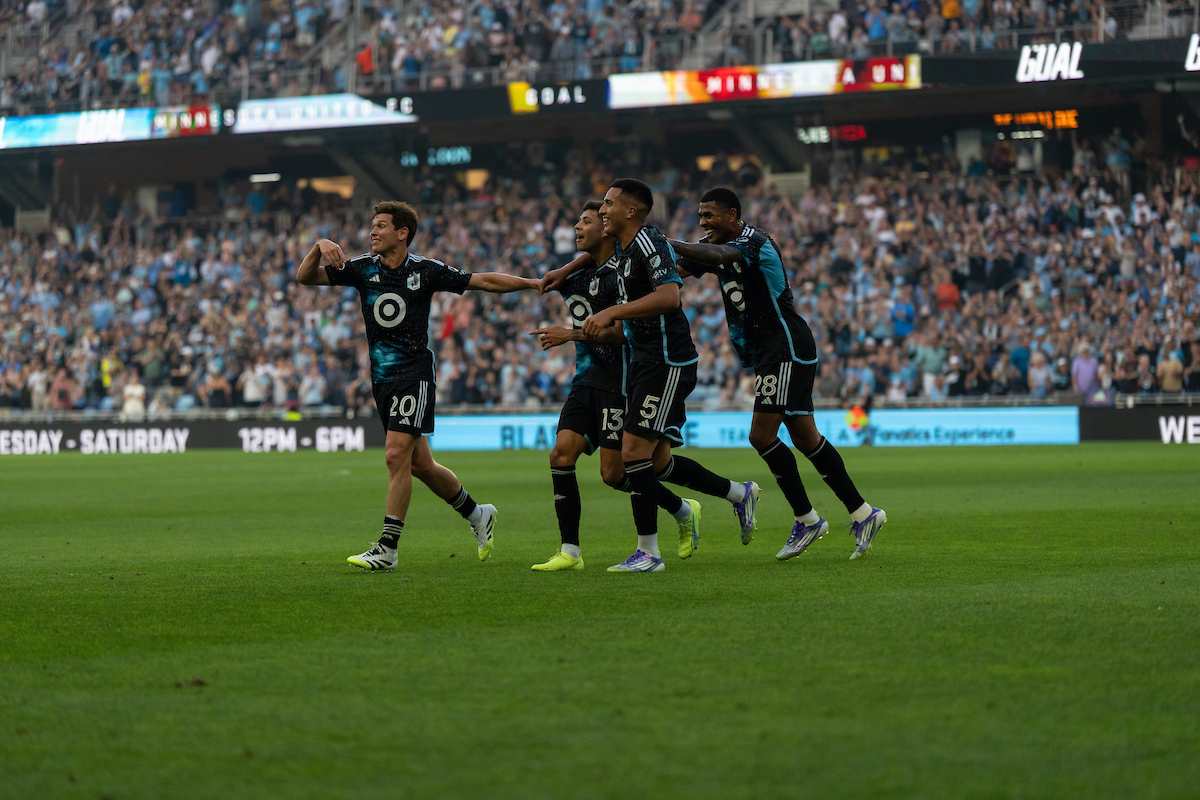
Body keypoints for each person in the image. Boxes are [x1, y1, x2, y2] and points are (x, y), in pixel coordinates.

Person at [297, 200, 541, 572]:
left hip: (414, 376)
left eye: (380, 225)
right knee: (420, 465)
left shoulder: (426, 271)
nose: (372, 232)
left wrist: (532, 283)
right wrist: (319, 245)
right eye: (372, 225)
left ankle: (387, 548)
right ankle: (478, 514)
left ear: (402, 233)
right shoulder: (361, 269)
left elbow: (483, 280)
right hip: (382, 380)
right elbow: (306, 278)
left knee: (396, 456)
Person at [530, 201, 758, 571]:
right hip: (605, 376)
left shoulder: (642, 249)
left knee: (632, 464)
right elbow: (586, 265)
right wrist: (566, 267)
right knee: (602, 460)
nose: (584, 222)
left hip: (650, 366)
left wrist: (579, 329)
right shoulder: (614, 258)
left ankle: (654, 548)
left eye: (598, 212)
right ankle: (573, 550)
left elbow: (651, 308)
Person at [668, 188, 886, 561]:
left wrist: (665, 239)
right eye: (700, 217)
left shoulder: (753, 240)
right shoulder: (715, 245)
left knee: (761, 434)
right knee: (804, 436)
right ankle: (864, 514)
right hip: (772, 351)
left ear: (733, 215)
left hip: (784, 346)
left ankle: (807, 518)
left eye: (710, 216)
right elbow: (680, 268)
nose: (703, 223)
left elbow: (720, 255)